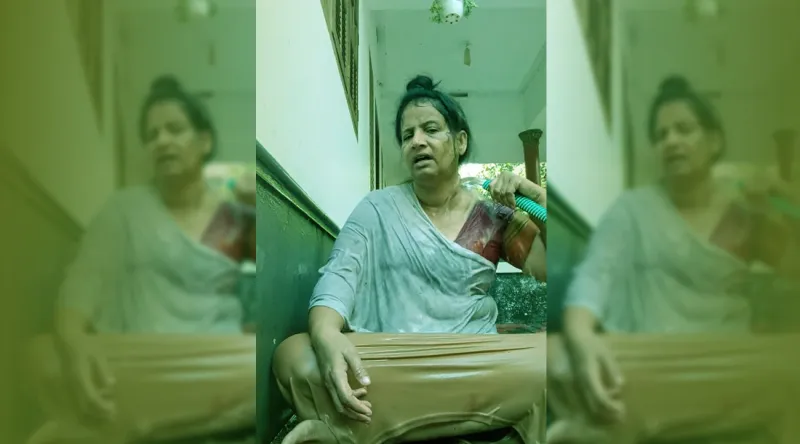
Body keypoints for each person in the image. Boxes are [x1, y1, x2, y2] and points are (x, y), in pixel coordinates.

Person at [273, 75, 548, 444]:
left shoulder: (492, 216)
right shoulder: (376, 208)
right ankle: (465, 423)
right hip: (396, 358)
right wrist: (325, 333)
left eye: (430, 129)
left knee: (560, 355)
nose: (417, 141)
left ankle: (370, 426)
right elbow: (339, 275)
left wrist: (540, 198)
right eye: (407, 135)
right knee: (294, 356)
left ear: (460, 141)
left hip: (471, 362)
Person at [548, 76, 800, 443]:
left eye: (684, 129)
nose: (671, 141)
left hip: (728, 363)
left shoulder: (746, 215)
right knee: (556, 356)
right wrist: (581, 334)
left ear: (714, 141)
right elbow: (594, 274)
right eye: (661, 134)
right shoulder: (632, 209)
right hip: (653, 360)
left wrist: (787, 198)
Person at [25, 75, 257, 444]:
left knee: (263, 363)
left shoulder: (230, 219)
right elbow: (86, 278)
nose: (162, 140)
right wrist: (72, 337)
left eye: (174, 129)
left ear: (204, 141)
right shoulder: (125, 209)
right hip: (141, 357)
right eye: (152, 135)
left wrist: (256, 206)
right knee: (44, 357)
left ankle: (140, 423)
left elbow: (273, 287)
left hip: (211, 360)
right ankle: (189, 418)